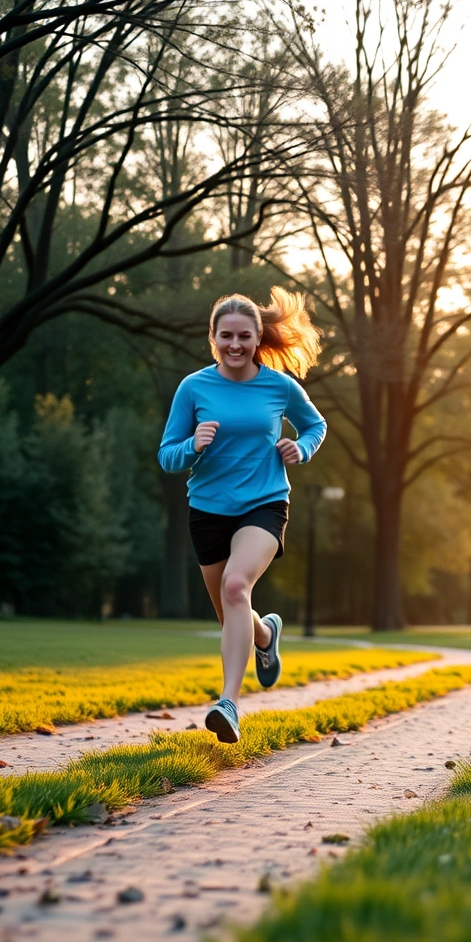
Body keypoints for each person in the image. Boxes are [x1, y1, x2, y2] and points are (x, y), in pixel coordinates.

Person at [158, 288, 325, 743]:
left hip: (265, 502)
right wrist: (191, 446)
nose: (236, 345)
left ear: (257, 339)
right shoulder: (193, 388)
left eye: (244, 337)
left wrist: (301, 447)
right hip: (208, 510)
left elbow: (315, 425)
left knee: (236, 586)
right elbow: (166, 456)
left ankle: (228, 704)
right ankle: (265, 637)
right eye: (226, 335)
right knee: (232, 609)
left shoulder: (279, 386)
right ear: (212, 337)